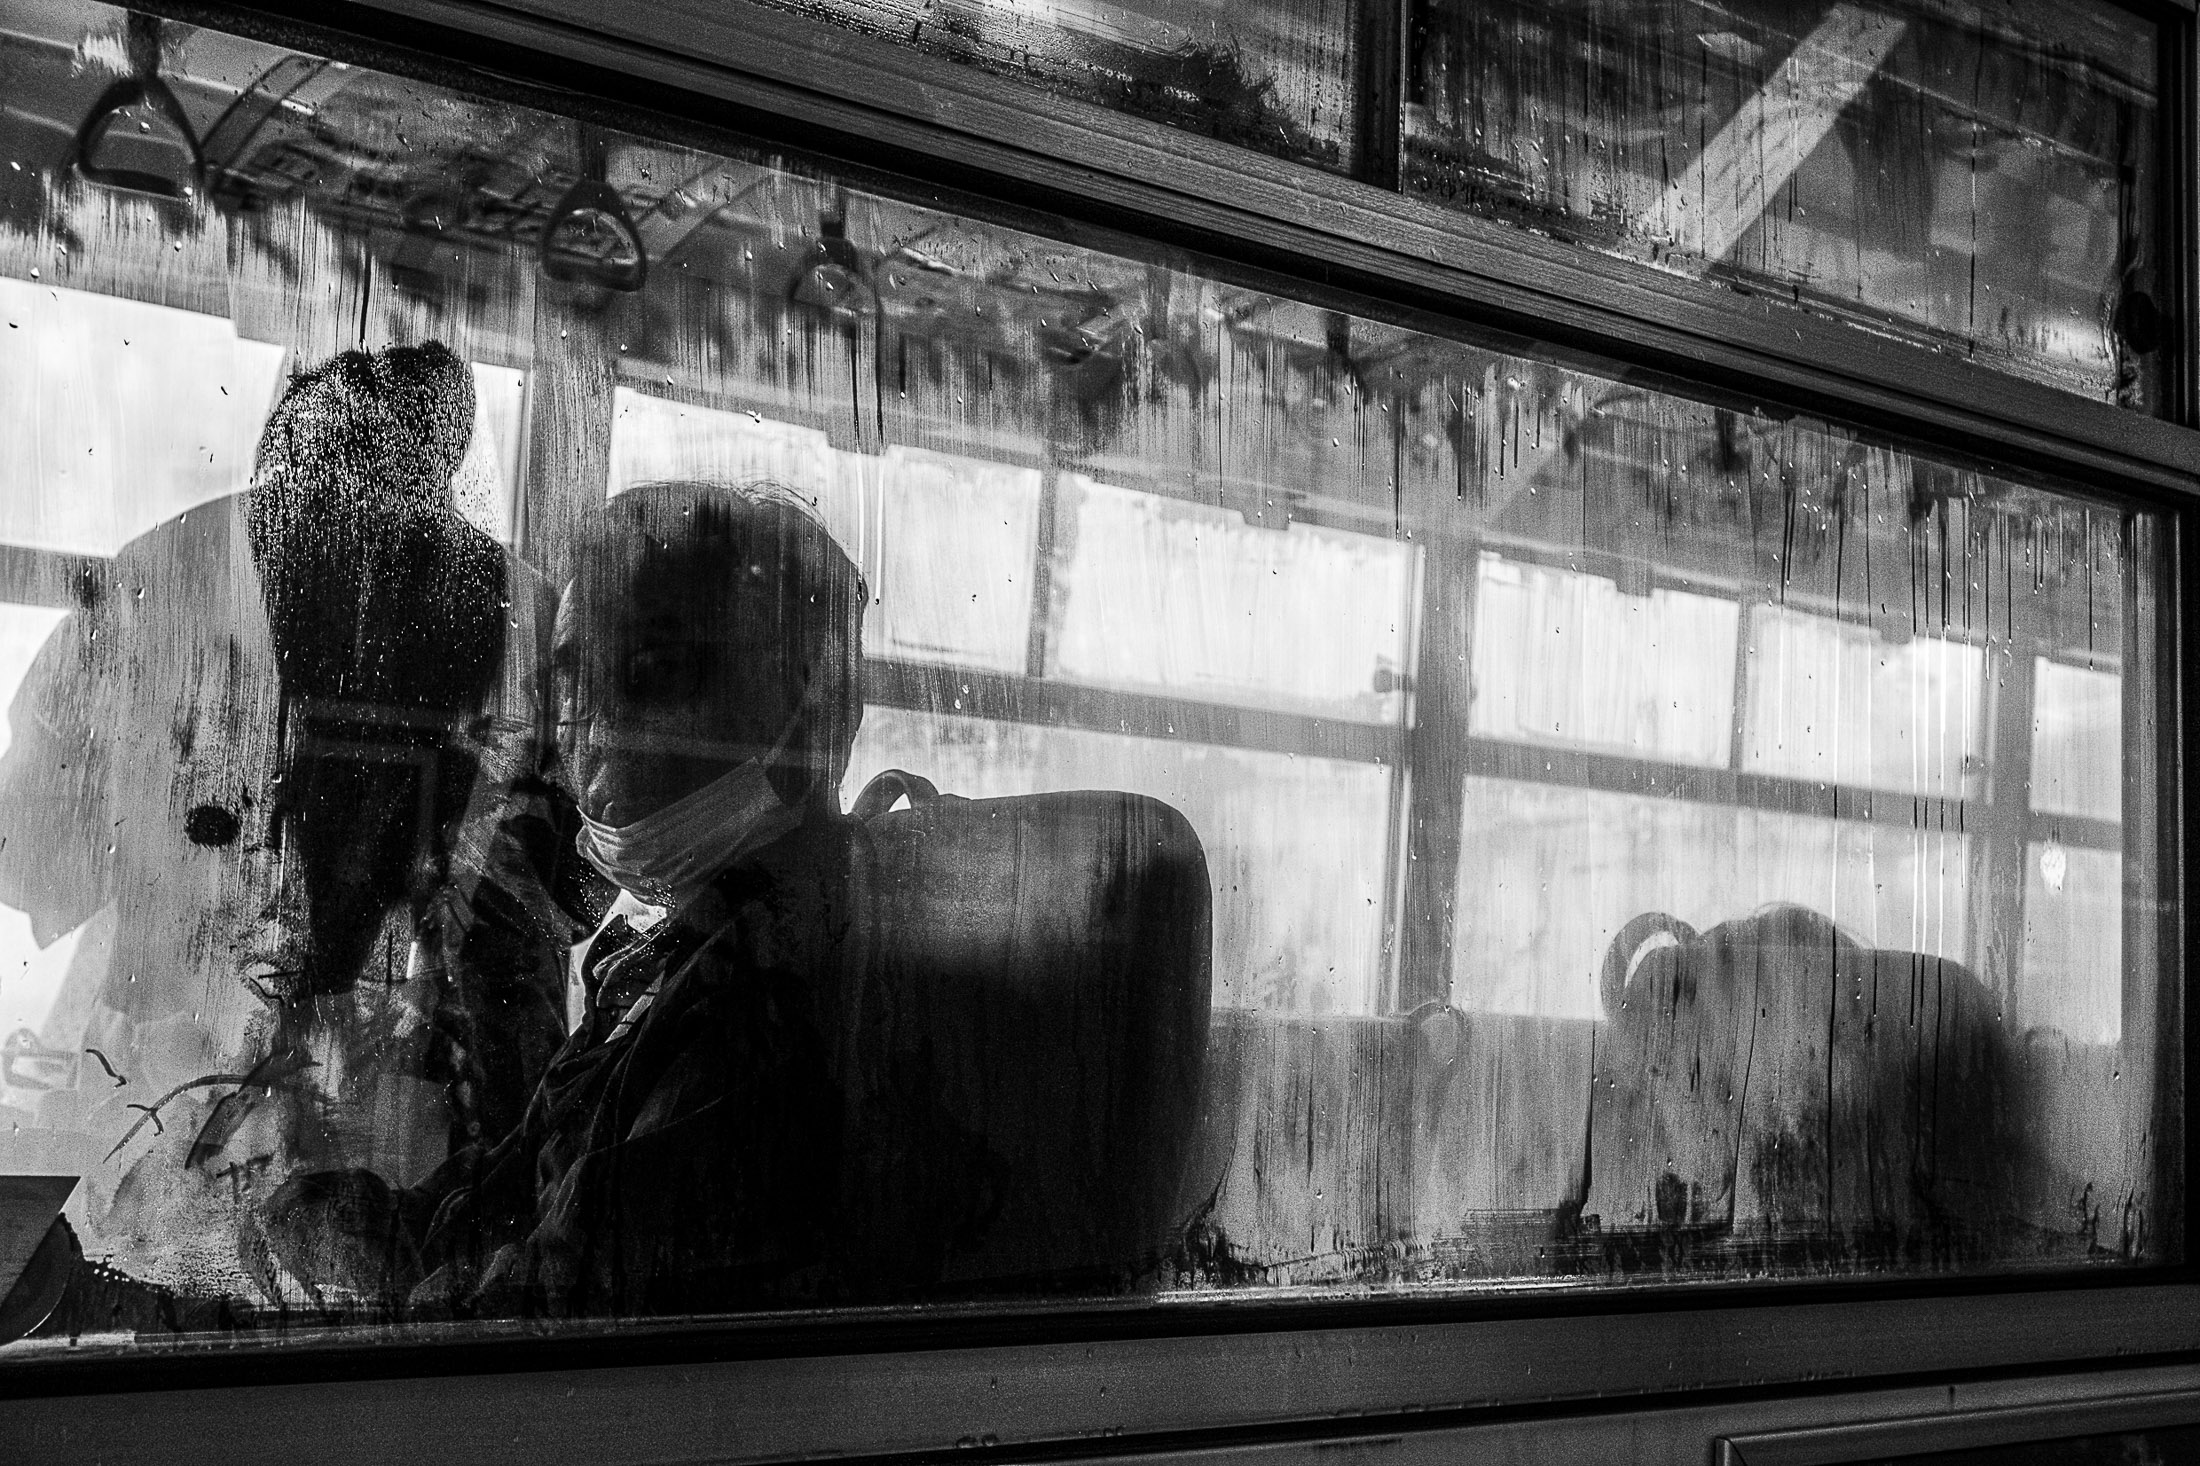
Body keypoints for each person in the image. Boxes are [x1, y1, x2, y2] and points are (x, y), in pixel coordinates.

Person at [418, 478, 905, 1314]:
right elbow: (499, 1200)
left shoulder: (775, 1002)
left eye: (655, 673)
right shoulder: (657, 959)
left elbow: (556, 1312)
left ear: (806, 707)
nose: (595, 737)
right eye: (573, 687)